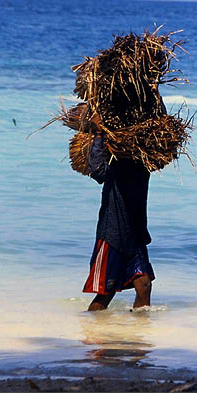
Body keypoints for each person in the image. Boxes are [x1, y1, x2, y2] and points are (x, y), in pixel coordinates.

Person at [83, 114, 155, 311]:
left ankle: (137, 337)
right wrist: (98, 134)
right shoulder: (115, 159)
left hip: (135, 233)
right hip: (113, 234)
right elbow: (97, 171)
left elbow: (157, 115)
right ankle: (93, 334)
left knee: (144, 285)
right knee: (106, 293)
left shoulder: (146, 160)